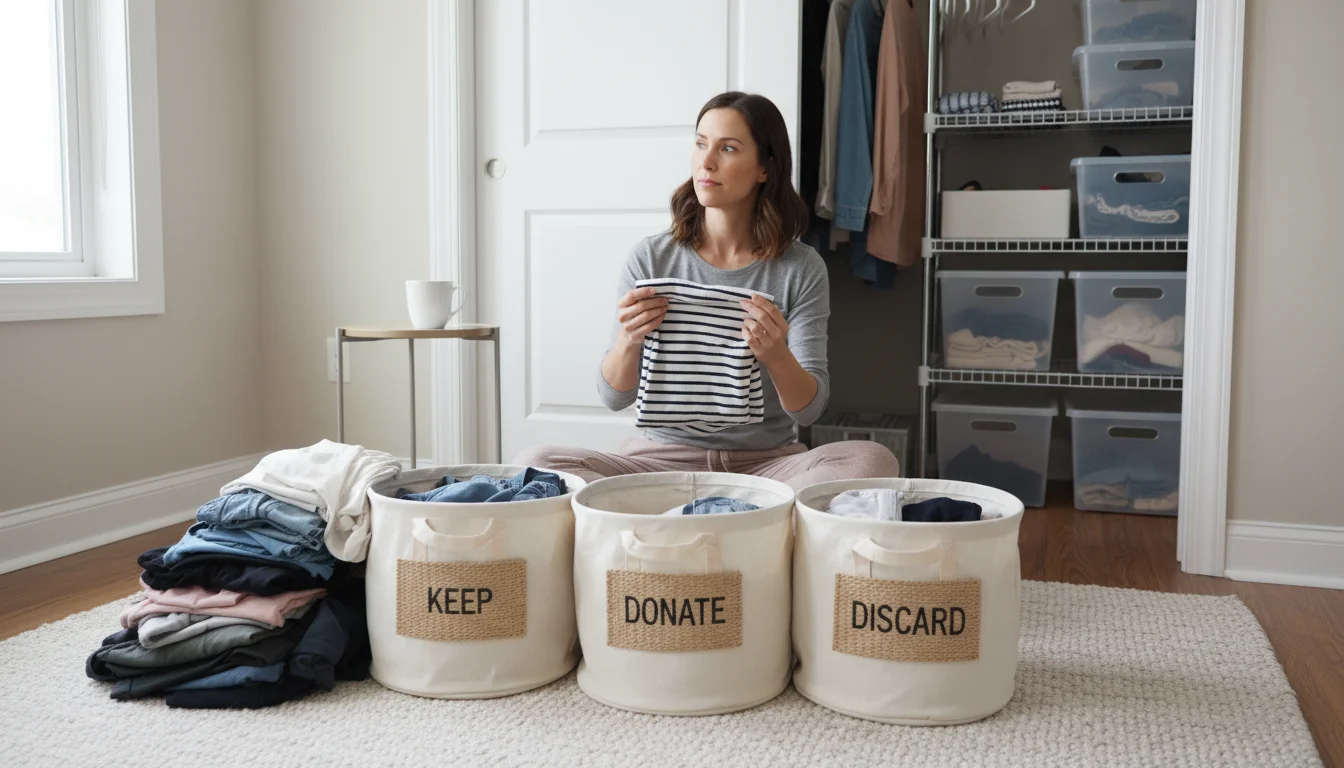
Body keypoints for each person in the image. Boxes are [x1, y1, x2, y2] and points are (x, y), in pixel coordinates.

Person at [513, 91, 899, 490]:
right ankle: (737, 514)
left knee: (873, 459)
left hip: (766, 465)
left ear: (765, 168)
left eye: (727, 148)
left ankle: (694, 511)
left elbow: (809, 410)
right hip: (659, 462)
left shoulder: (799, 268)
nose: (706, 161)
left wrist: (776, 355)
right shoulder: (650, 258)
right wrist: (629, 340)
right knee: (535, 462)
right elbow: (614, 398)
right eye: (700, 144)